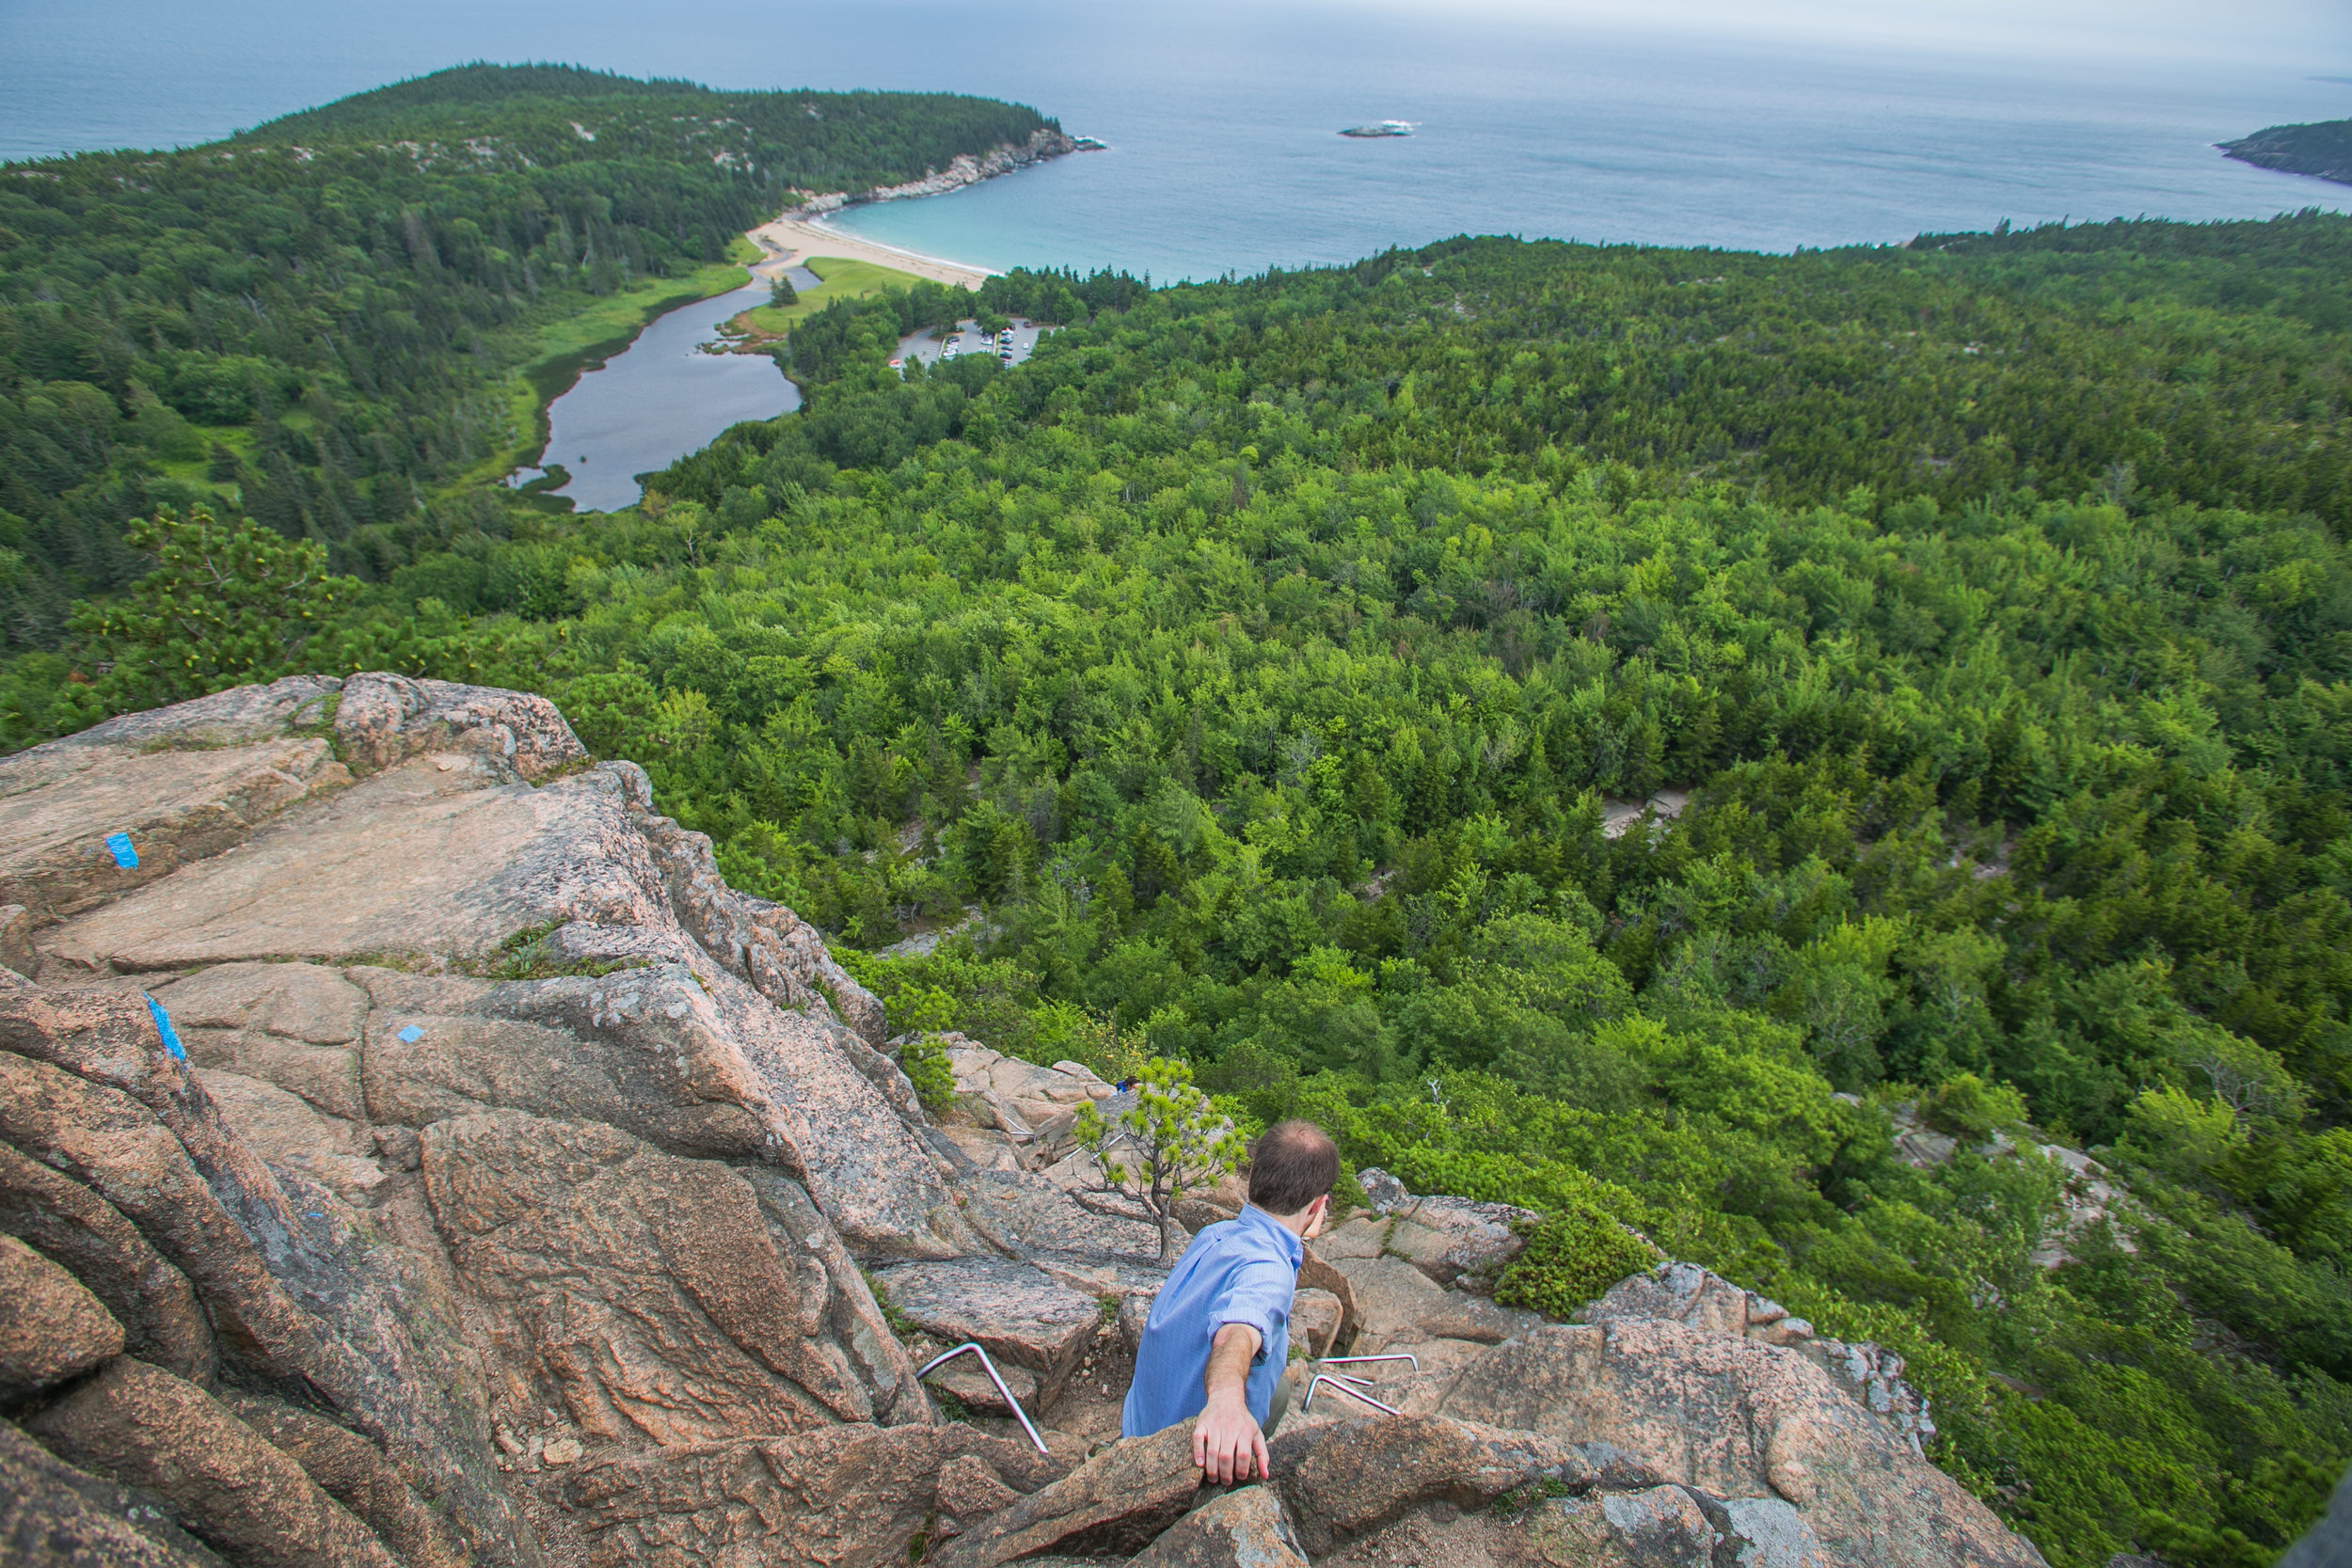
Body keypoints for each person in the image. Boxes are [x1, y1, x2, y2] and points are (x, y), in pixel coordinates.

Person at [1120, 1118, 1338, 1484]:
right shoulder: (1270, 1269)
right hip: (1175, 1457)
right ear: (1317, 1206)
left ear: (1256, 1176)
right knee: (1271, 1394)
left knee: (1279, 1391)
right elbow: (1239, 1327)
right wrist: (1225, 1400)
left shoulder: (1215, 1235)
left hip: (1138, 1421)